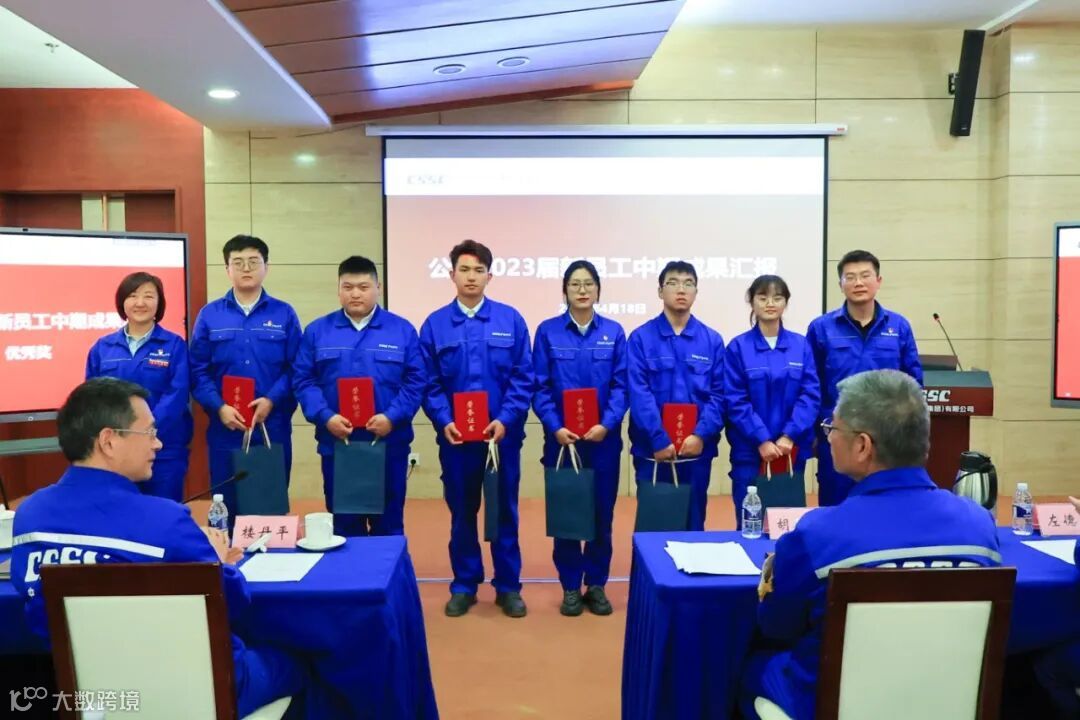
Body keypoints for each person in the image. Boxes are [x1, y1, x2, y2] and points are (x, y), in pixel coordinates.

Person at [9, 378, 306, 717]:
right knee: (304, 660)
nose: (158, 443)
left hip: (93, 699)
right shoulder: (165, 521)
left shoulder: (30, 516)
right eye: (149, 432)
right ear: (108, 441)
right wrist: (221, 562)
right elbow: (232, 604)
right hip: (199, 690)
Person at [740, 370, 1001, 720]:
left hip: (832, 704)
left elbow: (776, 626)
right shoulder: (979, 526)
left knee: (749, 669)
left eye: (832, 428)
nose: (828, 438)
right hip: (945, 702)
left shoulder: (817, 536)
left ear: (862, 446)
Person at [420, 240, 534, 618]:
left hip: (501, 440)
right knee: (462, 513)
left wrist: (506, 418)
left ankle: (508, 586)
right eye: (464, 270)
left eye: (479, 270)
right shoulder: (435, 325)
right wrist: (444, 419)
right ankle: (465, 584)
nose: (471, 277)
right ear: (451, 274)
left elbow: (523, 377)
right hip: (456, 441)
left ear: (490, 276)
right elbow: (429, 382)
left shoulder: (510, 320)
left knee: (504, 513)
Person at [292, 256, 424, 537]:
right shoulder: (317, 331)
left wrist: (392, 417)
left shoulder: (402, 330)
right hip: (339, 445)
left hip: (388, 444)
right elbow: (303, 380)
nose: (355, 294)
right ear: (338, 290)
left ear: (379, 288)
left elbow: (416, 381)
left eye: (363, 287)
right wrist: (325, 417)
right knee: (344, 528)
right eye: (348, 287)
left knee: (388, 526)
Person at [532, 260, 628, 616]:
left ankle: (597, 584)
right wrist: (555, 426)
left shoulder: (614, 332)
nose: (582, 290)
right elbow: (539, 386)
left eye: (589, 283)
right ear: (565, 291)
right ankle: (571, 586)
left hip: (603, 442)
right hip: (563, 442)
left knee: (602, 516)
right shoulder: (547, 332)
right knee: (567, 515)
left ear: (598, 290)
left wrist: (608, 423)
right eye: (575, 284)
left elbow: (621, 385)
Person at [189, 235, 302, 518]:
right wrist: (219, 407)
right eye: (238, 262)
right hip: (225, 426)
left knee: (269, 505)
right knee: (227, 505)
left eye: (253, 261)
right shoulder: (210, 315)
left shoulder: (284, 313)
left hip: (271, 425)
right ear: (227, 269)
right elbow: (198, 370)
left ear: (266, 267)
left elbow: (297, 367)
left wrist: (272, 400)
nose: (246, 268)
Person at [807, 250, 922, 506]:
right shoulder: (821, 328)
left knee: (887, 507)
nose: (858, 283)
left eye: (865, 276)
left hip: (888, 438)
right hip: (840, 435)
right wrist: (818, 432)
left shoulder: (899, 326)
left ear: (878, 281)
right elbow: (812, 385)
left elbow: (913, 384)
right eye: (850, 277)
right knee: (837, 508)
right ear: (841, 285)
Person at [627, 260, 725, 531]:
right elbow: (638, 393)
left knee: (693, 526)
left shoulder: (712, 340)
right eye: (673, 283)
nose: (681, 289)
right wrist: (658, 438)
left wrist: (700, 435)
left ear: (696, 292)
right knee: (653, 528)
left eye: (688, 283)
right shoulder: (641, 338)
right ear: (660, 291)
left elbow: (719, 395)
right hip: (653, 451)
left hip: (696, 452)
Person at [85, 271, 192, 501]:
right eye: (133, 296)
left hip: (163, 449)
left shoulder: (174, 345)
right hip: (117, 450)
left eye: (148, 296)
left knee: (162, 513)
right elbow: (92, 398)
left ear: (159, 303)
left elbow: (177, 394)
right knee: (119, 513)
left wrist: (145, 430)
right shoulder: (103, 348)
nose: (140, 303)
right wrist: (122, 435)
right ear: (122, 302)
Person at [724, 275, 819, 527]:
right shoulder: (738, 347)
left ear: (785, 303)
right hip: (750, 453)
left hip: (790, 453)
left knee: (788, 527)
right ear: (751, 302)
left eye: (777, 298)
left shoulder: (800, 345)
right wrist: (762, 439)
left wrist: (789, 435)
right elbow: (735, 399)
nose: (770, 303)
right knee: (751, 525)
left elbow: (810, 394)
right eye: (763, 297)